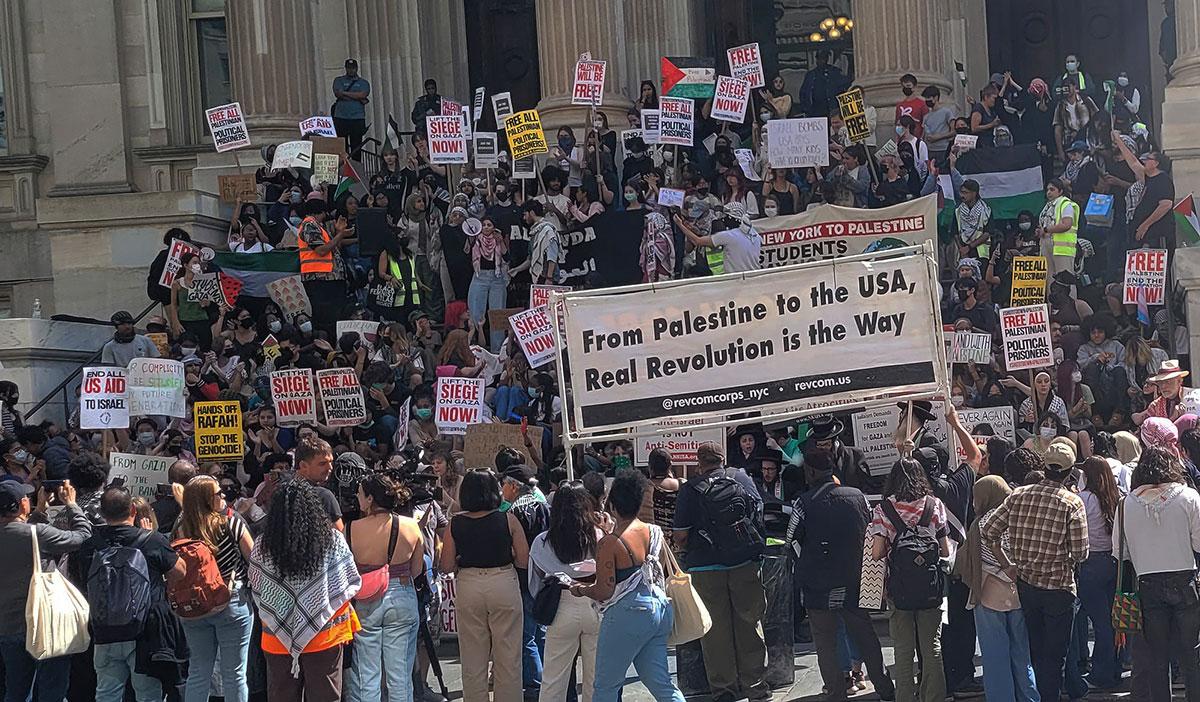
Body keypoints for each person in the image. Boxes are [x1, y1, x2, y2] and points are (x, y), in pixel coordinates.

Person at [980, 447, 1089, 702]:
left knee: (1035, 651)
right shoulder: (1071, 502)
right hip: (1058, 588)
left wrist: (1007, 563)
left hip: (1027, 585)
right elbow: (1081, 552)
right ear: (1069, 472)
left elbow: (989, 531)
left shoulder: (1019, 495)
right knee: (1055, 657)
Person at [787, 452, 896, 701]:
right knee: (866, 636)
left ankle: (835, 692)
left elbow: (791, 538)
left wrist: (806, 561)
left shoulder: (803, 503)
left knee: (825, 642)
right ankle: (884, 687)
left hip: (818, 584)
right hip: (855, 580)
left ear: (811, 472)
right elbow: (872, 530)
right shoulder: (857, 497)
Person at [573, 469, 684, 702]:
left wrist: (580, 589)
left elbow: (605, 591)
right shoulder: (654, 532)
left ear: (612, 506)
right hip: (659, 608)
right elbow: (656, 570)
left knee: (604, 687)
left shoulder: (609, 543)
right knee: (661, 683)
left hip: (627, 613)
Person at [673, 442, 770, 702]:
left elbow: (680, 534)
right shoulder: (741, 478)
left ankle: (724, 690)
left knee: (715, 631)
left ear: (699, 462)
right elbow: (758, 512)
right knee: (750, 623)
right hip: (744, 563)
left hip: (705, 568)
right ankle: (756, 687)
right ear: (722, 459)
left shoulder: (689, 490)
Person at [249, 479, 361, 702]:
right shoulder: (333, 540)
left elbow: (258, 585)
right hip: (325, 634)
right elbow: (347, 582)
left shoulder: (262, 546)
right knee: (326, 697)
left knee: (282, 696)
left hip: (276, 636)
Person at [77, 486, 186, 702]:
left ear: (103, 513)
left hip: (104, 629)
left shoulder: (90, 545)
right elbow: (180, 571)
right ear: (133, 511)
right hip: (144, 631)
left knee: (107, 693)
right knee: (147, 694)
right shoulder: (151, 541)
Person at [1115, 445, 1200, 701]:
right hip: (1185, 581)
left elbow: (1121, 551)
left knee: (1157, 659)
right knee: (1191, 656)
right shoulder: (1189, 497)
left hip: (1147, 584)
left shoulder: (1125, 504)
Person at [439, 469, 528, 702]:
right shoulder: (508, 519)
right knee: (508, 657)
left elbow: (446, 565)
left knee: (472, 657)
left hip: (469, 584)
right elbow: (523, 560)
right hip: (503, 582)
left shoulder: (455, 523)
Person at [0, 479, 92, 702]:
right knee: (52, 687)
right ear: (23, 504)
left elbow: (21, 534)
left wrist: (39, 512)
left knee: (16, 688)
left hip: (8, 627)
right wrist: (71, 505)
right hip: (45, 624)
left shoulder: (31, 532)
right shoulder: (37, 534)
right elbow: (82, 536)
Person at [869, 457, 951, 702]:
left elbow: (876, 553)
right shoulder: (934, 504)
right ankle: (934, 697)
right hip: (930, 589)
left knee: (903, 651)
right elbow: (945, 550)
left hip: (899, 588)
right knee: (932, 648)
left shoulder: (885, 508)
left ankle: (904, 697)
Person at [953, 475, 1039, 702]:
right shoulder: (1020, 517)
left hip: (988, 594)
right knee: (1022, 653)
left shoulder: (981, 524)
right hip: (1018, 592)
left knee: (995, 655)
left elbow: (965, 561)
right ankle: (1029, 696)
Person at [173, 475, 255, 702]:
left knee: (198, 671)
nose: (223, 496)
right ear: (208, 499)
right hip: (231, 600)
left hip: (193, 604)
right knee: (235, 674)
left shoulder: (180, 527)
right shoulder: (231, 522)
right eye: (218, 493)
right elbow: (254, 559)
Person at [347, 473, 425, 702]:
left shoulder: (352, 529)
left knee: (367, 676)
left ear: (370, 499)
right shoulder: (411, 526)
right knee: (400, 677)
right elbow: (417, 570)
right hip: (401, 593)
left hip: (366, 597)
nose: (358, 498)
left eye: (360, 494)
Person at [528, 481, 604, 702]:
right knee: (595, 679)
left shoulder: (542, 542)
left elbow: (535, 585)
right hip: (595, 602)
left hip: (560, 606)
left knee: (553, 679)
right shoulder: (600, 536)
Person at [501, 464, 551, 698]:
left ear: (513, 485)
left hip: (524, 577)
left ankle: (534, 684)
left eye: (504, 484)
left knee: (526, 635)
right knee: (540, 632)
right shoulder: (543, 505)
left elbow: (516, 550)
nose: (502, 489)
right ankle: (545, 678)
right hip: (545, 575)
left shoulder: (514, 512)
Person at [1075, 456, 1122, 690]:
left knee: (1101, 622)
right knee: (1114, 621)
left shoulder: (1082, 499)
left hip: (1090, 563)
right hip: (1113, 562)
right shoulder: (1117, 498)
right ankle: (1115, 666)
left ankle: (1101, 673)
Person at [674, 202, 761, 275]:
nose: (723, 219)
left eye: (725, 216)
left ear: (731, 217)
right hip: (754, 277)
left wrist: (680, 225)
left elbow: (697, 241)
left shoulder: (728, 236)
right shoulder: (755, 235)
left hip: (734, 279)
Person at [466, 215, 509, 351]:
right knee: (476, 313)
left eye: (489, 225)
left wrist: (501, 242)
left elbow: (507, 257)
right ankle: (475, 349)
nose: (485, 227)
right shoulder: (476, 239)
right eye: (483, 224)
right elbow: (466, 252)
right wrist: (471, 238)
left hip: (497, 277)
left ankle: (497, 350)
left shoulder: (497, 239)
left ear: (493, 227)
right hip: (480, 277)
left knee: (497, 315)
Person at [295, 437, 344, 530]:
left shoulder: (281, 492)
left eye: (330, 462)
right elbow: (339, 537)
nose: (330, 468)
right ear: (303, 465)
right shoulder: (324, 496)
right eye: (322, 463)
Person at [1038, 177, 1079, 278]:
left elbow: (1066, 225)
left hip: (1062, 248)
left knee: (1065, 280)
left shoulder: (1066, 204)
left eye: (1052, 190)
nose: (1048, 192)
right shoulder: (1048, 206)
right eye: (1047, 190)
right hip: (1047, 245)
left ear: (1060, 191)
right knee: (1049, 279)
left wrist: (1046, 229)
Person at [331, 58, 370, 155]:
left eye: (353, 68)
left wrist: (345, 93)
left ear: (356, 68)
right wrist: (356, 96)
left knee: (356, 147)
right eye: (349, 68)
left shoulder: (363, 82)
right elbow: (338, 94)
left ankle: (356, 168)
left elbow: (363, 95)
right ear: (346, 68)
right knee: (342, 147)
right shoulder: (339, 80)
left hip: (357, 117)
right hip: (341, 117)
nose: (351, 70)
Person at [797, 49, 849, 117]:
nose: (822, 60)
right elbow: (803, 93)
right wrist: (806, 109)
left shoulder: (835, 72)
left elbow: (844, 89)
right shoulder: (811, 75)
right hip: (815, 111)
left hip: (833, 110)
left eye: (824, 58)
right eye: (819, 58)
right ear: (816, 59)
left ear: (827, 59)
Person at [922, 86, 956, 164]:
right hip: (930, 150)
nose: (927, 100)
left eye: (928, 97)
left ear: (936, 97)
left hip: (943, 149)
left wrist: (939, 137)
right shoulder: (926, 117)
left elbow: (953, 131)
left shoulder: (946, 112)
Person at [639, 211, 675, 283]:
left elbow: (660, 253)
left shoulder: (664, 238)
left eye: (649, 225)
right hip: (648, 274)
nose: (647, 228)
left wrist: (651, 244)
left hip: (661, 273)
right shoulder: (647, 238)